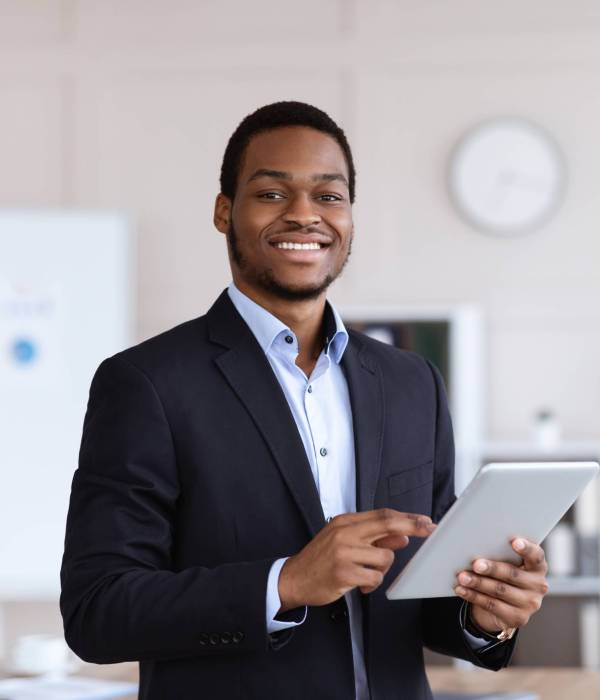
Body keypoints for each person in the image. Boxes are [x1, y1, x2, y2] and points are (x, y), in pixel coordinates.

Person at [60, 101, 549, 700]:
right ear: (224, 212)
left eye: (328, 196)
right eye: (270, 194)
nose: (303, 215)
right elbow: (97, 611)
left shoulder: (410, 381)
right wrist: (285, 583)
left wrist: (485, 618)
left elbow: (423, 600)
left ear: (349, 216)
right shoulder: (146, 384)